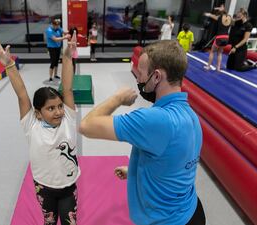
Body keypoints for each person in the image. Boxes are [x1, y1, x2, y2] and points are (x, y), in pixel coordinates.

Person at [79, 40, 205, 225]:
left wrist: (117, 99)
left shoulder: (154, 119)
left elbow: (86, 126)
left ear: (156, 77)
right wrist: (135, 171)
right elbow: (174, 163)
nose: (138, 79)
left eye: (141, 73)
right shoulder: (191, 116)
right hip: (191, 211)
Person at [0, 35, 80, 225]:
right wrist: (9, 64)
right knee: (49, 222)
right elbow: (22, 95)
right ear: (38, 113)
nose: (58, 112)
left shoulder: (68, 118)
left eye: (59, 106)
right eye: (50, 108)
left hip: (68, 187)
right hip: (44, 187)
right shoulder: (32, 125)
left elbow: (68, 88)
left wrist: (67, 56)